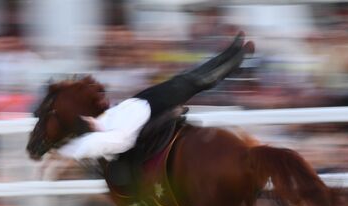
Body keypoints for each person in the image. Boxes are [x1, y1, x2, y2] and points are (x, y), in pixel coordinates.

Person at [57, 31, 255, 161]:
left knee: (192, 78)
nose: (90, 119)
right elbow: (93, 144)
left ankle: (234, 51)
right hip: (152, 104)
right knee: (198, 81)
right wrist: (67, 153)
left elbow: (86, 124)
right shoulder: (109, 135)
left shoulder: (102, 121)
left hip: (146, 98)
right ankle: (238, 57)